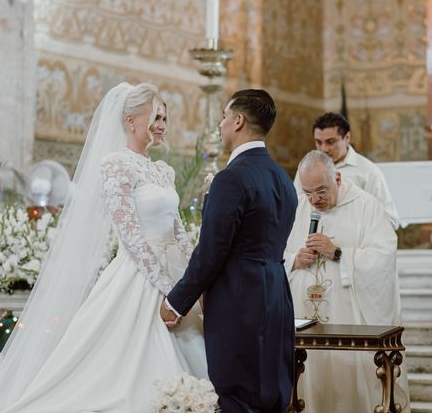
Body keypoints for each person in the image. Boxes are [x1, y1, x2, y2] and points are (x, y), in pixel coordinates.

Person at [0, 83, 207, 412]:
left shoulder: (163, 170)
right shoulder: (115, 165)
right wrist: (167, 288)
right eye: (155, 115)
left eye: (165, 117)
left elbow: (176, 225)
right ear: (130, 120)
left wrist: (193, 277)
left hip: (177, 274)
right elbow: (130, 235)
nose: (162, 124)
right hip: (139, 276)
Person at [160, 89, 298, 412]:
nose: (221, 124)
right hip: (277, 295)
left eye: (224, 116)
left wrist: (176, 302)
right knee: (274, 392)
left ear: (238, 121)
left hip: (238, 299)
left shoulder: (231, 179)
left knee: (236, 394)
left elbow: (211, 251)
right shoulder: (283, 179)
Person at [285, 150, 409, 413]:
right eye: (308, 193)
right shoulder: (297, 209)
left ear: (337, 178)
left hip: (348, 321)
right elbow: (275, 253)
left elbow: (384, 257)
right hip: (304, 321)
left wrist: (339, 253)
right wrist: (295, 259)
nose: (314, 200)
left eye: (321, 191)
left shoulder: (367, 206)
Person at [293, 112, 401, 229]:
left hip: (353, 243)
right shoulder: (306, 170)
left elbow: (390, 220)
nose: (323, 149)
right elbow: (296, 210)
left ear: (347, 138)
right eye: (318, 142)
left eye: (330, 142)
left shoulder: (368, 171)